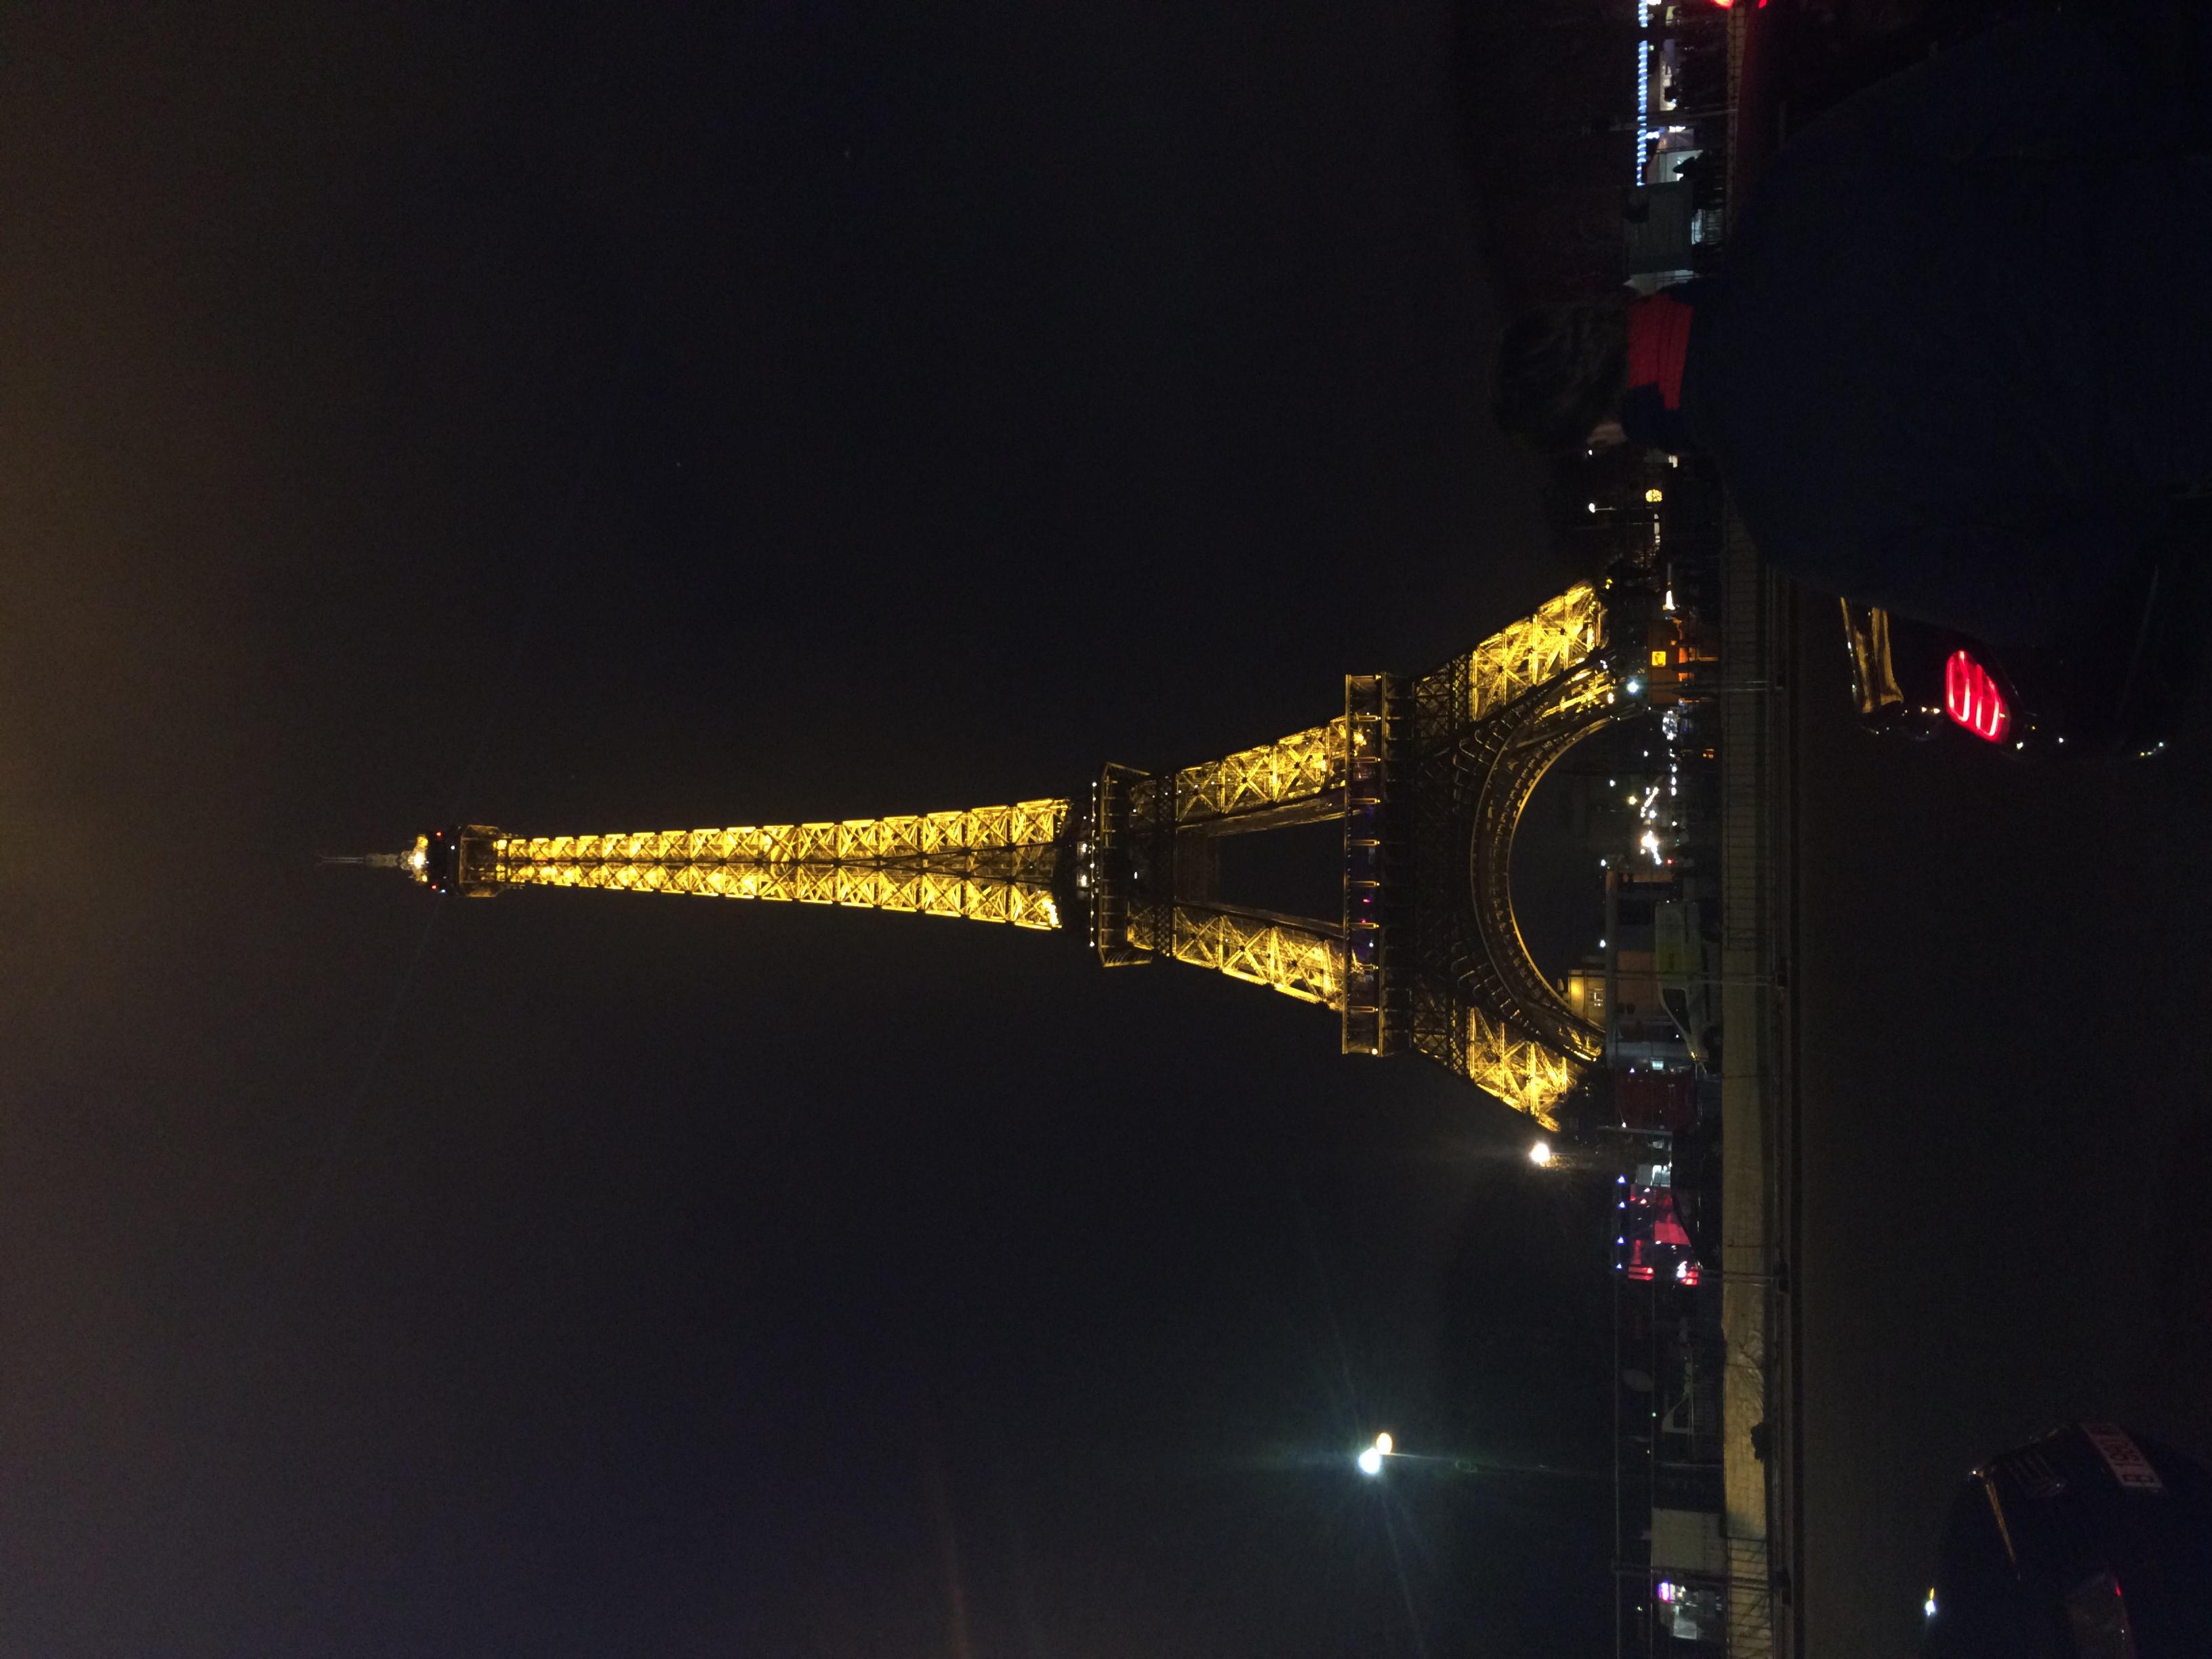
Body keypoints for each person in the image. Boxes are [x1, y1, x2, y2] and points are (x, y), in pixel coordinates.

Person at [1493, 7, 2212, 648]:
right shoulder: (1799, 192)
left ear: (1602, 431)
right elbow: (2054, 71)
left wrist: (2139, 488)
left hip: (2172, 418)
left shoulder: (1795, 528)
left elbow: (2040, 601)